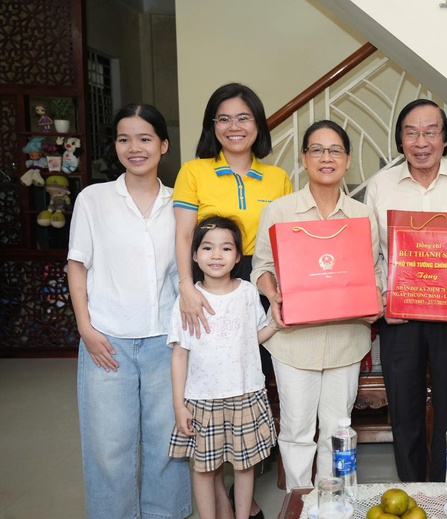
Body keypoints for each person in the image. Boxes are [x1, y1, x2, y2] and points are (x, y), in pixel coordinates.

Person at [173, 83, 291, 518]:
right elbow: (186, 235)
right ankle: (222, 502)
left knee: (242, 384)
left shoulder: (277, 177)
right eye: (223, 118)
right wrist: (186, 285)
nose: (234, 126)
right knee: (206, 388)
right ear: (212, 126)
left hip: (255, 285)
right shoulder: (194, 171)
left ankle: (238, 500)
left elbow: (284, 242)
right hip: (205, 282)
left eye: (243, 117)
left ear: (257, 124)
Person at [68, 103, 192, 519]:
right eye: (124, 139)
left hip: (164, 341)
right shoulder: (94, 199)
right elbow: (77, 265)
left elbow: (182, 275)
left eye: (144, 138)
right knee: (109, 445)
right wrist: (85, 328)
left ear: (163, 145)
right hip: (107, 339)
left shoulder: (181, 204)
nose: (134, 147)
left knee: (166, 442)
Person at [251, 120, 384, 490]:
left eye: (335, 150)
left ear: (348, 159)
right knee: (296, 429)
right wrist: (274, 292)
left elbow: (374, 269)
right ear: (304, 158)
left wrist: (377, 297)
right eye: (317, 150)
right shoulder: (279, 211)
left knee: (338, 428)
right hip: (294, 339)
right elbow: (261, 267)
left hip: (346, 337)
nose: (326, 158)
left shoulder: (361, 214)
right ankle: (299, 501)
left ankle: (334, 503)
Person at [364, 99, 447, 482]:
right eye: (411, 132)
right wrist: (383, 298)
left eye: (430, 131)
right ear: (400, 140)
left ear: (445, 140)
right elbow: (371, 254)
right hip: (398, 316)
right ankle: (413, 488)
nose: (421, 141)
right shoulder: (381, 185)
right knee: (405, 409)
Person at [168, 216, 278, 519]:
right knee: (204, 468)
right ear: (194, 255)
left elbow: (253, 338)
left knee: (244, 466)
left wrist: (277, 324)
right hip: (202, 398)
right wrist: (179, 405)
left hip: (246, 393)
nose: (216, 255)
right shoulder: (188, 299)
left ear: (238, 256)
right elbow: (179, 354)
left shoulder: (246, 292)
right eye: (207, 247)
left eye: (226, 248)